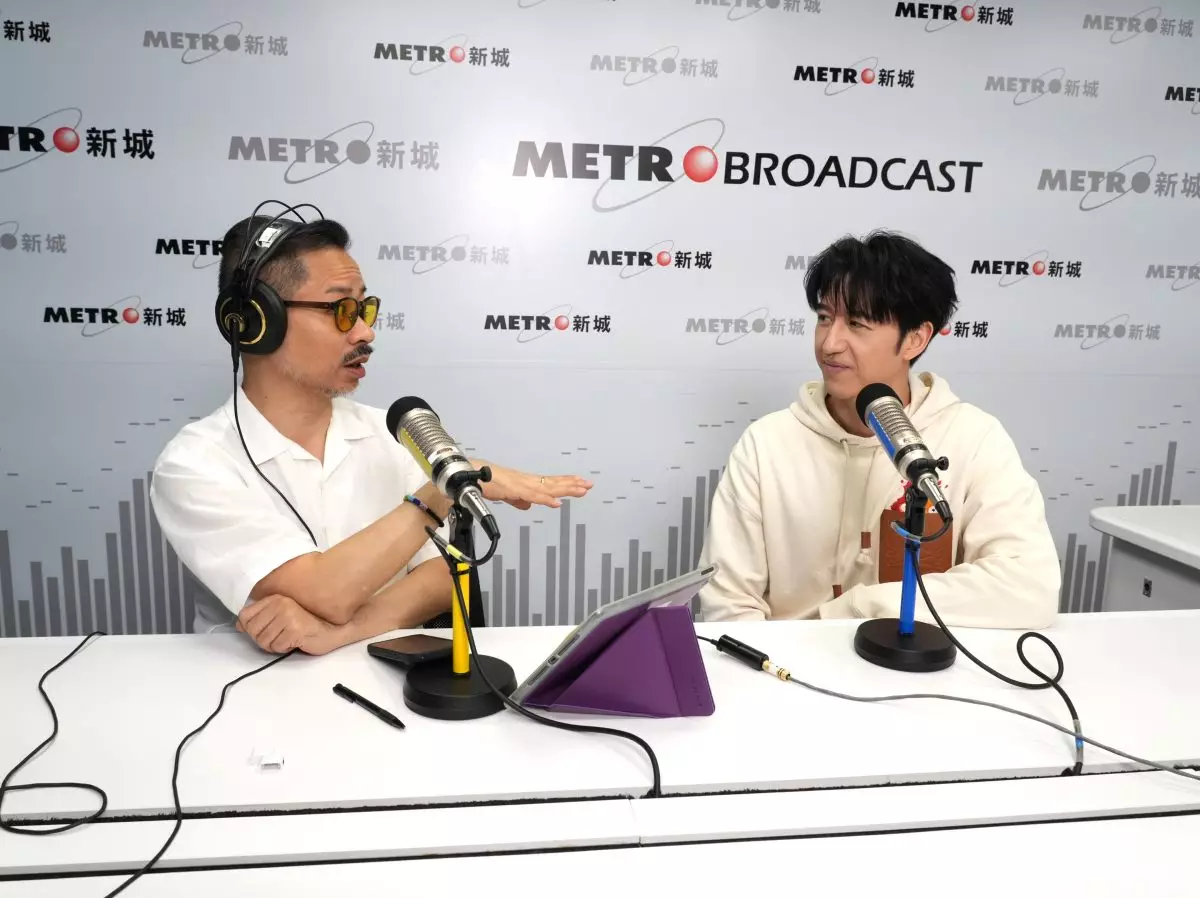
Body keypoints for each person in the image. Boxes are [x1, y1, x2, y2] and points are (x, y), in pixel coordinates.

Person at [150, 209, 591, 654]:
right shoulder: (194, 464)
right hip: (248, 685)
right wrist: (442, 488)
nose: (365, 331)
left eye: (364, 308)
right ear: (255, 320)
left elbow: (443, 579)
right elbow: (325, 592)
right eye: (341, 310)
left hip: (384, 682)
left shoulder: (395, 433)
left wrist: (341, 633)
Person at [697, 230, 1059, 628]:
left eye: (856, 323)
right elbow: (727, 605)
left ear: (915, 339)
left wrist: (857, 608)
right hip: (787, 661)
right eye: (824, 318)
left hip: (917, 661)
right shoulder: (766, 444)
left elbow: (1029, 586)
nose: (830, 344)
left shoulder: (974, 438)